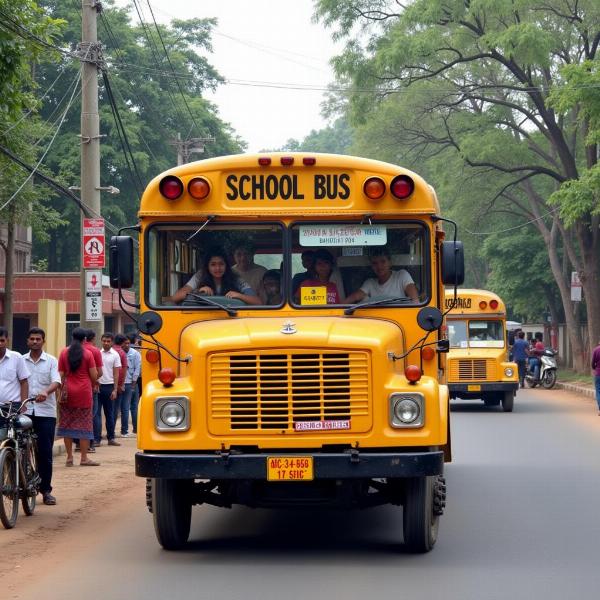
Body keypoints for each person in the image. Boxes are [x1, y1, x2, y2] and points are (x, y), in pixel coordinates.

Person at [23, 327, 61, 505]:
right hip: (24, 411)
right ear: (27, 341)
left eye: (38, 339)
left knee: (45, 453)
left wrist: (46, 392)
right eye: (32, 339)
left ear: (43, 341)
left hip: (45, 412)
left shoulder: (51, 361)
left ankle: (46, 490)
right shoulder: (20, 360)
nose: (35, 341)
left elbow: (56, 381)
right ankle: (21, 485)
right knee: (20, 449)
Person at [57, 327, 99, 467]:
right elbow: (94, 375)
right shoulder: (88, 354)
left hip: (68, 392)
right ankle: (84, 458)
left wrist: (61, 390)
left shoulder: (64, 352)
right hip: (84, 392)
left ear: (72, 337)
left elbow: (61, 375)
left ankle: (69, 457)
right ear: (85, 339)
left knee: (66, 424)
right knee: (84, 425)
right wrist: (94, 383)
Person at [344, 247, 419, 303]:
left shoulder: (401, 275)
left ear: (390, 262)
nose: (379, 266)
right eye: (375, 263)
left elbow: (415, 300)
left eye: (383, 261)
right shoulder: (370, 283)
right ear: (372, 266)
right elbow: (355, 296)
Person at [195, 248, 261, 305]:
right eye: (213, 264)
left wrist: (239, 295)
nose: (218, 268)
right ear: (207, 267)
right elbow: (186, 294)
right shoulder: (200, 276)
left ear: (226, 266)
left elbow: (257, 302)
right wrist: (198, 291)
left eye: (221, 264)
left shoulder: (236, 280)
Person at [94, 333, 121, 447]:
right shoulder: (97, 353)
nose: (106, 343)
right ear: (101, 341)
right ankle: (97, 439)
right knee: (96, 414)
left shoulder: (115, 355)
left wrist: (115, 389)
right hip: (98, 386)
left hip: (109, 387)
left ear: (112, 342)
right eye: (104, 341)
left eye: (108, 341)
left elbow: (116, 373)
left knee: (109, 413)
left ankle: (111, 438)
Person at [0, 326, 29, 408]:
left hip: (12, 407)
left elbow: (24, 382)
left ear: (7, 341)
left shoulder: (16, 357)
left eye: (2, 340)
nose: (0, 343)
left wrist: (23, 405)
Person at [112, 334, 128, 435]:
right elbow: (122, 370)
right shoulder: (121, 353)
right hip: (116, 385)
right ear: (122, 343)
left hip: (107, 383)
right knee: (115, 409)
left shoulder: (110, 351)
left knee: (108, 409)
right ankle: (111, 431)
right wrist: (120, 385)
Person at [126, 333, 141, 434]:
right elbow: (138, 369)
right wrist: (134, 382)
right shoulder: (137, 351)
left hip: (128, 381)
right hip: (135, 381)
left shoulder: (121, 351)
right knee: (134, 406)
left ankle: (125, 429)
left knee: (126, 406)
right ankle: (135, 428)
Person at [591, 340, 600, 416]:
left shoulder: (596, 350)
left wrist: (594, 367)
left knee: (598, 391)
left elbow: (593, 362)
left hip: (598, 374)